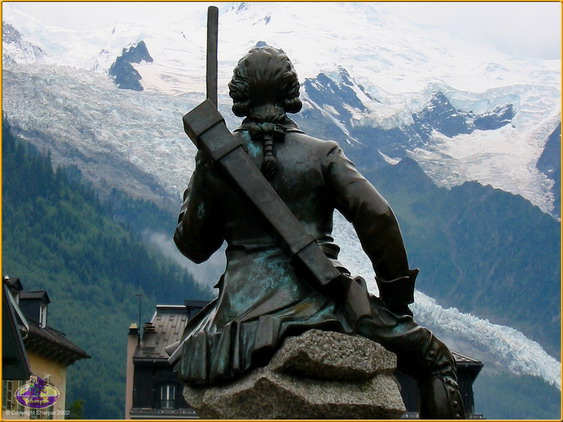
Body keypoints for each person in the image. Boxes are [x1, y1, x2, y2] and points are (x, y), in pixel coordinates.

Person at [170, 46, 465, 419]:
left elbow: (194, 246)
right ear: (292, 93)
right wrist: (394, 297)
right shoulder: (322, 154)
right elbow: (377, 216)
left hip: (237, 315)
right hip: (322, 299)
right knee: (435, 360)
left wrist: (204, 170)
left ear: (239, 96)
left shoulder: (216, 162)